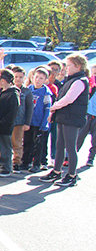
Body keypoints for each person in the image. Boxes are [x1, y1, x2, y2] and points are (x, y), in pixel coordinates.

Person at [40, 53, 91, 186]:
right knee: (60, 145)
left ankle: (72, 175)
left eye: (68, 66)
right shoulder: (71, 79)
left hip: (72, 119)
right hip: (64, 116)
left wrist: (53, 107)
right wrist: (55, 111)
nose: (66, 68)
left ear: (78, 66)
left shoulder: (80, 81)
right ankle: (56, 171)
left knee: (70, 147)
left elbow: (69, 99)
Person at [23, 66, 53, 172]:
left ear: (45, 80)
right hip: (29, 122)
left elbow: (47, 109)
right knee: (27, 142)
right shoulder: (28, 90)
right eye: (36, 77)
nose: (37, 80)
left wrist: (44, 123)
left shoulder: (46, 93)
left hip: (39, 122)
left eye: (41, 78)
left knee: (38, 144)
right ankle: (26, 162)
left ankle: (37, 164)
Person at [0, 69, 20, 177]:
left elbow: (12, 112)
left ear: (3, 81)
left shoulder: (13, 94)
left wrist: (3, 122)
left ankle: (6, 167)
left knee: (5, 147)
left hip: (5, 126)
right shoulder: (1, 92)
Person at [7, 66, 33, 172]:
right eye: (16, 77)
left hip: (20, 122)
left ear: (24, 78)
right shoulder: (8, 89)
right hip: (8, 121)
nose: (18, 79)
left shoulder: (26, 91)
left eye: (20, 77)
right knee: (6, 143)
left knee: (17, 143)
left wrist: (27, 122)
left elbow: (30, 107)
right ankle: (4, 162)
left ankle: (17, 162)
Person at [75, 67, 96, 167]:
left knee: (95, 139)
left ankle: (91, 158)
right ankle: (70, 157)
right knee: (79, 136)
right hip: (88, 114)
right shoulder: (90, 83)